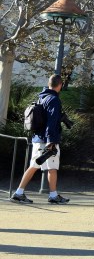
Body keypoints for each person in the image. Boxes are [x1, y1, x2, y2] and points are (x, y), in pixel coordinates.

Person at [10, 75, 70, 205]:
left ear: (49, 84)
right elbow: (52, 122)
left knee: (34, 166)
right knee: (52, 167)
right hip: (47, 140)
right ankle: (52, 196)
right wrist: (51, 141)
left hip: (38, 138)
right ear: (60, 85)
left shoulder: (41, 97)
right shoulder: (54, 99)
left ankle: (20, 193)